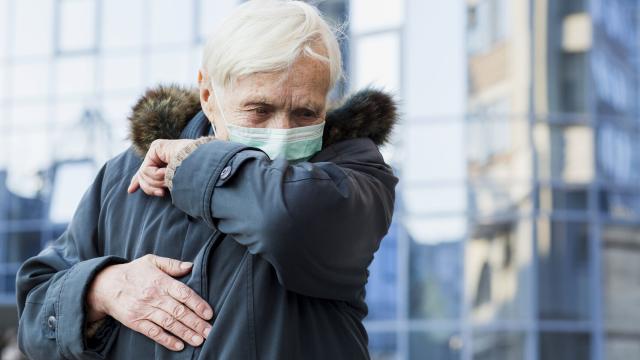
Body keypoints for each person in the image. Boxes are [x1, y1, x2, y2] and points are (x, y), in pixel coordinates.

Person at [16, 1, 398, 358]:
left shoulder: (355, 172)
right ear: (208, 94)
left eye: (304, 113)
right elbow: (34, 319)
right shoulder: (123, 177)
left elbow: (282, 220)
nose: (281, 135)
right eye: (259, 110)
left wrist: (193, 160)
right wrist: (100, 288)